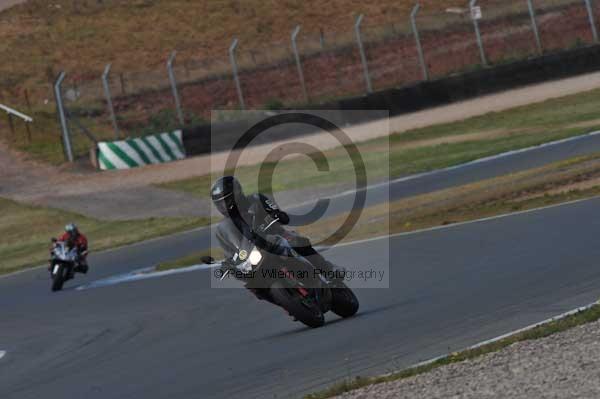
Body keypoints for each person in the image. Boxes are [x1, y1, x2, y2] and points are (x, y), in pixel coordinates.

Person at [211, 176, 344, 290]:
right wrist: (227, 263)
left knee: (297, 242)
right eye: (220, 204)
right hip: (254, 255)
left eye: (227, 201)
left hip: (277, 236)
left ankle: (328, 270)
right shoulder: (223, 228)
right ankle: (284, 300)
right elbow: (230, 252)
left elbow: (279, 214)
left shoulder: (256, 199)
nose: (225, 207)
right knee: (249, 281)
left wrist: (277, 215)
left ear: (238, 193)